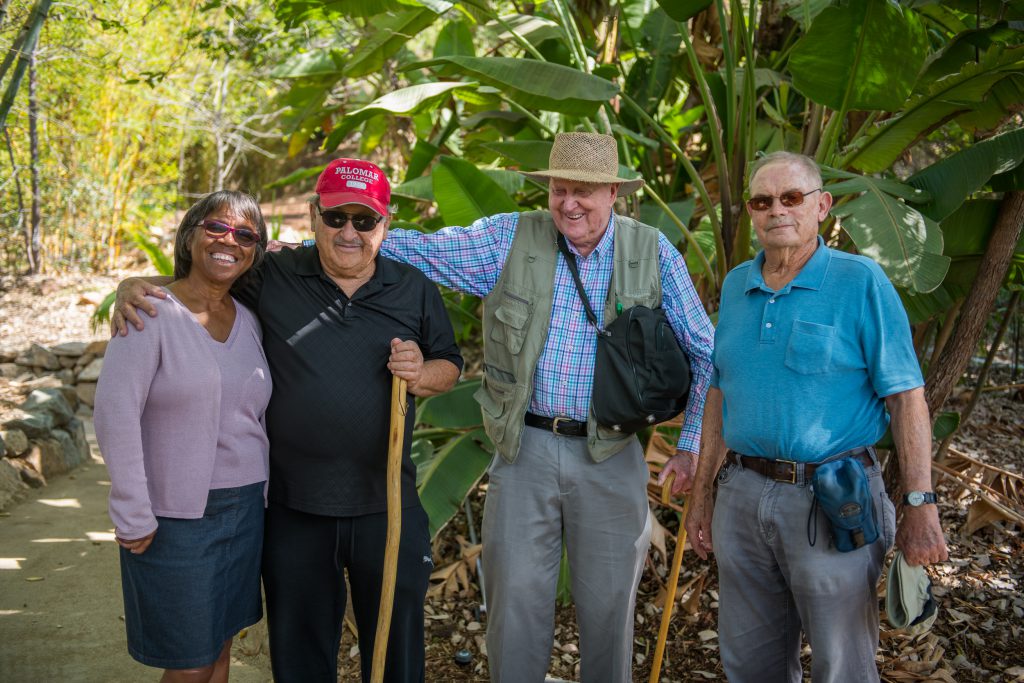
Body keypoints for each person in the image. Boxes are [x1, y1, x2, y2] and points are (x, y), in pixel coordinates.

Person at [378, 131, 715, 683]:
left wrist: (692, 444)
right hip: (524, 452)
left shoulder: (653, 251)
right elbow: (422, 251)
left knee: (609, 612)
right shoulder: (510, 237)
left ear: (613, 194)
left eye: (584, 192)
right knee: (514, 607)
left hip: (610, 453)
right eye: (560, 190)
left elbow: (707, 354)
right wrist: (343, 234)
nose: (569, 204)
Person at [112, 159, 463, 683]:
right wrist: (136, 284)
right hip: (294, 508)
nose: (349, 232)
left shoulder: (412, 288)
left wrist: (421, 371)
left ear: (384, 224)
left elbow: (450, 366)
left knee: (396, 654)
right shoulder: (273, 275)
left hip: (387, 505)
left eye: (364, 221)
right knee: (300, 659)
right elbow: (210, 276)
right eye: (336, 217)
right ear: (313, 215)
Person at [682, 151, 948, 683]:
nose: (776, 210)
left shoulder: (860, 281)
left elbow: (906, 396)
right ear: (752, 213)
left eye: (791, 197)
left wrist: (920, 502)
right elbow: (717, 390)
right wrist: (704, 492)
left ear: (822, 206)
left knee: (841, 663)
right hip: (742, 494)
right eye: (763, 201)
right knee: (749, 661)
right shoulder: (736, 286)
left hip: (832, 499)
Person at [94, 190, 272, 683]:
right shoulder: (149, 313)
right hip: (175, 519)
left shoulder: (251, 320)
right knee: (190, 661)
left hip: (245, 510)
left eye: (244, 235)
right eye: (216, 227)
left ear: (255, 250)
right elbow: (115, 415)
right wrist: (132, 510)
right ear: (190, 236)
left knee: (219, 649)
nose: (228, 241)